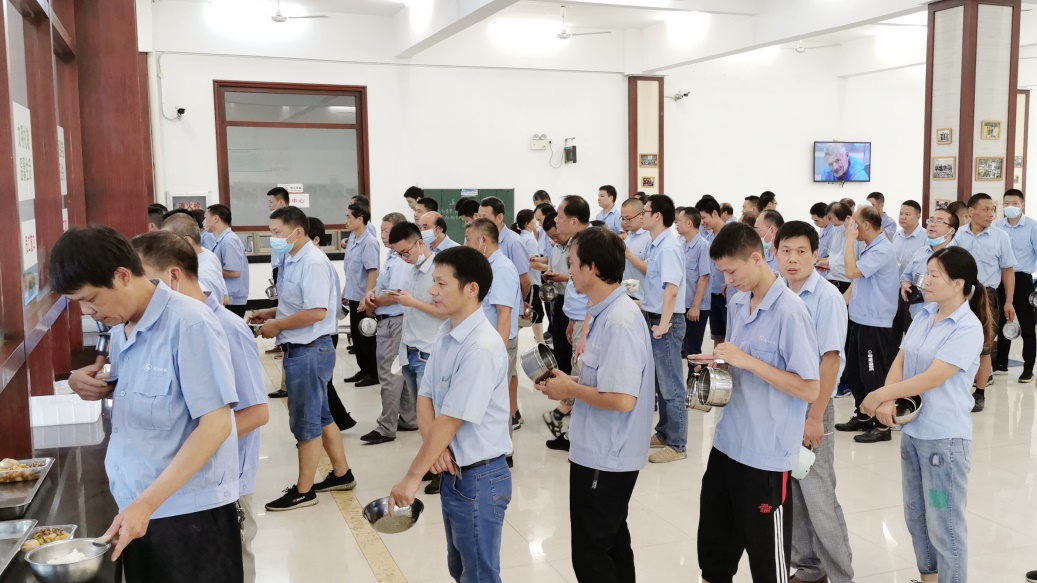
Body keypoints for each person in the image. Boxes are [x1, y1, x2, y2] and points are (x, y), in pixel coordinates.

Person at [57, 226, 244, 581]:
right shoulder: (121, 327)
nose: (87, 311)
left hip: (187, 517)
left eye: (90, 298)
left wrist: (146, 504)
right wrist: (90, 383)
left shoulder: (190, 323)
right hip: (135, 507)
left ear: (122, 276)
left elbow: (216, 424)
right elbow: (154, 388)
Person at [131, 232, 269, 583]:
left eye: (145, 281)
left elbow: (257, 413)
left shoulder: (226, 328)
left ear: (173, 277)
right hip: (186, 481)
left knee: (234, 564)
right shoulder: (167, 326)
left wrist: (198, 443)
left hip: (225, 481)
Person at [691, 222, 821, 583]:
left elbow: (809, 388)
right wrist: (719, 362)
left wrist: (748, 361)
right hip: (727, 444)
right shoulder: (737, 302)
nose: (728, 280)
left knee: (768, 565)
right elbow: (739, 363)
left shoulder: (791, 312)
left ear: (756, 258)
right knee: (714, 555)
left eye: (732, 271)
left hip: (765, 456)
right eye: (722, 272)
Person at [860, 246, 990, 583]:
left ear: (958, 283)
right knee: (916, 516)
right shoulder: (924, 314)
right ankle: (928, 578)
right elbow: (902, 358)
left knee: (944, 523)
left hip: (943, 442)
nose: (926, 281)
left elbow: (934, 377)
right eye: (926, 274)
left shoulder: (967, 327)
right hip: (914, 433)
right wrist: (889, 399)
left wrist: (880, 395)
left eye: (934, 275)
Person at [535, 227, 654, 583]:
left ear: (593, 269)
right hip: (599, 447)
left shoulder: (619, 321)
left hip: (607, 454)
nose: (568, 271)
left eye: (573, 263)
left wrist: (569, 388)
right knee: (612, 543)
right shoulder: (606, 313)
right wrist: (570, 382)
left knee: (592, 555)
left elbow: (622, 399)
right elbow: (604, 380)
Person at [387, 246, 512, 583]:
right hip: (453, 474)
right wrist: (437, 447)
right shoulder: (446, 333)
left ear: (471, 289)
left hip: (480, 478)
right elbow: (425, 398)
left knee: (479, 575)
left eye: (441, 284)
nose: (432, 291)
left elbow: (452, 419)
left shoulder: (481, 347)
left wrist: (412, 478)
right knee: (460, 569)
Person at [251, 206, 358, 511]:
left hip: (309, 350)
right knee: (322, 417)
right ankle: (342, 474)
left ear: (297, 231)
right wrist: (272, 312)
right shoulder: (293, 258)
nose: (273, 238)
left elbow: (316, 312)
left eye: (277, 233)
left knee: (306, 424)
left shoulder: (312, 262)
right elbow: (299, 303)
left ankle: (304, 491)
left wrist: (277, 325)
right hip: (304, 349)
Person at [773, 222, 854, 583]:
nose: (792, 259)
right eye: (786, 251)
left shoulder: (826, 297)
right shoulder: (777, 292)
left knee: (818, 494)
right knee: (792, 493)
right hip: (783, 404)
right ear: (775, 253)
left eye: (801, 252)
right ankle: (808, 568)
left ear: (815, 255)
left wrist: (816, 415)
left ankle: (841, 575)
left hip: (812, 407)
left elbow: (831, 360)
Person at [389, 221, 449, 494]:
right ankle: (432, 464)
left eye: (405, 252)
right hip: (410, 350)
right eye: (398, 254)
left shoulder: (439, 272)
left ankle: (443, 469)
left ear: (420, 243)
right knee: (422, 417)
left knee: (434, 419)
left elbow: (445, 311)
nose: (404, 257)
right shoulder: (411, 270)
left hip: (429, 353)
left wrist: (412, 302)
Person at [834, 206, 900, 443]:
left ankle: (882, 427)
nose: (851, 228)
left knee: (873, 375)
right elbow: (858, 281)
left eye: (855, 224)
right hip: (860, 318)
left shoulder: (882, 249)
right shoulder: (870, 247)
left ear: (866, 226)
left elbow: (852, 271)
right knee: (854, 373)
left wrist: (849, 240)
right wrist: (842, 302)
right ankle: (863, 415)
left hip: (875, 322)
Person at [952, 192, 1016, 412]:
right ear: (971, 212)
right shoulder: (959, 236)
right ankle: (957, 390)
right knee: (957, 343)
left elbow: (1008, 270)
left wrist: (1009, 301)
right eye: (986, 209)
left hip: (987, 295)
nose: (991, 214)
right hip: (960, 294)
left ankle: (979, 393)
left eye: (992, 210)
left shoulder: (1000, 237)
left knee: (985, 346)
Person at [360, 213, 416, 444]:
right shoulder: (392, 256)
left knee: (389, 373)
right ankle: (409, 418)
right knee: (399, 371)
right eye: (381, 230)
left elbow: (395, 294)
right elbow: (384, 287)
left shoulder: (401, 261)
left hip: (395, 321)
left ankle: (386, 427)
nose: (383, 235)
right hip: (391, 319)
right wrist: (372, 295)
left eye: (387, 231)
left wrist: (373, 303)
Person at [466, 219, 523, 434]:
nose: (466, 244)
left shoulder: (502, 269)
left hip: (499, 343)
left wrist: (499, 351)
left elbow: (504, 315)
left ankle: (503, 449)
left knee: (496, 402)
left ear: (483, 240)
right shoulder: (486, 267)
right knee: (487, 400)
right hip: (485, 341)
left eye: (468, 239)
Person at [641, 194, 687, 464]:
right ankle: (665, 431)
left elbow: (672, 289)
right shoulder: (656, 244)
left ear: (657, 215)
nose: (642, 216)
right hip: (656, 317)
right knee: (661, 383)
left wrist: (663, 324)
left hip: (666, 320)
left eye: (645, 211)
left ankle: (678, 444)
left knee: (671, 386)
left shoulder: (668, 246)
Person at [306, 218, 356, 429]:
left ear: (316, 239)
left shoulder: (317, 263)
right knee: (322, 383)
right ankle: (339, 420)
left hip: (323, 331)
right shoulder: (309, 261)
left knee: (321, 383)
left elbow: (325, 307)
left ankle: (337, 421)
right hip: (320, 330)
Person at [994, 189, 1037, 383]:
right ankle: (1001, 363)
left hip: (1023, 280)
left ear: (1022, 205)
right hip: (1000, 278)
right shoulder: (997, 226)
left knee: (1027, 326)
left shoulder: (1032, 226)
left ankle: (1028, 369)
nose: (1010, 207)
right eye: (1006, 203)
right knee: (1001, 323)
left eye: (1014, 203)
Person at [343, 203, 381, 387]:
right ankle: (363, 369)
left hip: (362, 298)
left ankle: (373, 373)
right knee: (357, 338)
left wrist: (367, 298)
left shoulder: (369, 242)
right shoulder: (353, 239)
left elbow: (372, 271)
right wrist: (345, 291)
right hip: (353, 294)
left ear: (360, 219)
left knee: (366, 337)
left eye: (349, 217)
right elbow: (351, 270)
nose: (346, 220)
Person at [902, 209, 959, 320]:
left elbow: (967, 290)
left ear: (951, 230)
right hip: (917, 316)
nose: (932, 224)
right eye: (931, 220)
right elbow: (906, 276)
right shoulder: (920, 252)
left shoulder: (958, 256)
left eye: (939, 221)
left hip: (943, 320)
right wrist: (905, 283)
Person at [160, 214, 228, 305]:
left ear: (187, 241)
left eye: (167, 242)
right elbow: (225, 297)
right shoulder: (209, 255)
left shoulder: (200, 277)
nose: (164, 249)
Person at [889, 200, 927, 350]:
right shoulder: (897, 236)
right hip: (894, 290)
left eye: (907, 214)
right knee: (892, 333)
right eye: (901, 213)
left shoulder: (925, 237)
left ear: (918, 217)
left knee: (911, 332)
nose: (902, 217)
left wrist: (910, 283)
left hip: (912, 292)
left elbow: (924, 266)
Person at [676, 208, 711, 364]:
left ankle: (695, 379)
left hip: (696, 306)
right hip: (682, 304)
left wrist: (695, 306)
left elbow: (703, 277)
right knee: (682, 347)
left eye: (679, 221)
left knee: (693, 349)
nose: (676, 224)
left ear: (689, 223)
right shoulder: (681, 243)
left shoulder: (703, 246)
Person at [205, 204, 250, 317]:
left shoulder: (229, 240)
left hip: (233, 300)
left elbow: (234, 272)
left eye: (205, 218)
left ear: (215, 218)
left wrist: (209, 271)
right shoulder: (222, 240)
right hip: (228, 298)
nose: (203, 222)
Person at [695, 197, 729, 344]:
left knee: (732, 336)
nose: (702, 222)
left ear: (715, 213)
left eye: (703, 218)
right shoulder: (708, 238)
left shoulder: (732, 236)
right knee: (717, 336)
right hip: (713, 295)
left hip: (729, 295)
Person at [515, 209, 546, 345]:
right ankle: (541, 344)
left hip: (522, 280)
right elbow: (533, 263)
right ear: (527, 223)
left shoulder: (519, 237)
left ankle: (540, 342)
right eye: (534, 219)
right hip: (531, 281)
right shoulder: (529, 240)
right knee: (536, 313)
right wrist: (550, 268)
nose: (536, 222)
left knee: (527, 312)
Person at [621, 198, 651, 303]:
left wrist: (629, 255)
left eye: (628, 218)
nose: (625, 222)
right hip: (626, 293)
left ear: (640, 215)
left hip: (641, 298)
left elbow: (650, 270)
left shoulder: (649, 237)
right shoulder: (629, 236)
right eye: (623, 218)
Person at [818, 202, 853, 293]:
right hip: (831, 279)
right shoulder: (837, 232)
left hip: (846, 282)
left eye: (837, 225)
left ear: (848, 219)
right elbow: (834, 253)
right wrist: (827, 262)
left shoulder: (857, 237)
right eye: (833, 225)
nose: (835, 227)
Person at [266, 186, 291, 284]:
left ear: (280, 202)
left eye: (271, 202)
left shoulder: (291, 221)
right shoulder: (276, 220)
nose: (269, 206)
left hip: (287, 266)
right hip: (279, 267)